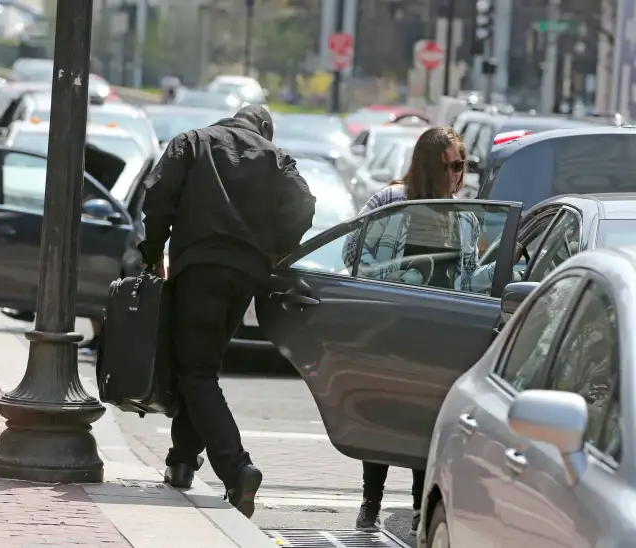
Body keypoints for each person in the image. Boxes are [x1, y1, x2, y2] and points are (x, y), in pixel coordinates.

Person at [138, 104, 316, 518]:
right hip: (246, 276)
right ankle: (181, 459)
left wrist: (153, 252)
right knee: (198, 369)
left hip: (198, 268)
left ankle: (237, 469)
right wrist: (278, 249)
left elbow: (159, 195)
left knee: (196, 372)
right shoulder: (276, 158)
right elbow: (304, 204)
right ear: (264, 130)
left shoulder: (193, 142)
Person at [342, 127, 477, 534]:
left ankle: (420, 505)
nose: (457, 174)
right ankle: (371, 501)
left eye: (462, 165)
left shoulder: (466, 217)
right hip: (390, 326)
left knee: (427, 418)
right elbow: (352, 251)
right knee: (382, 412)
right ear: (430, 164)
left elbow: (469, 280)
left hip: (440, 333)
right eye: (451, 165)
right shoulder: (390, 201)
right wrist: (392, 276)